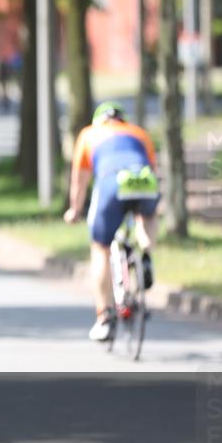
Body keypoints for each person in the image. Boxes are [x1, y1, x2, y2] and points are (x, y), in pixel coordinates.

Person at [64, 101, 159, 342]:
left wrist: (74, 210)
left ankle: (103, 317)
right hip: (143, 180)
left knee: (100, 248)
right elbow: (153, 170)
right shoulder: (139, 133)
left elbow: (80, 181)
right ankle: (146, 253)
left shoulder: (88, 135)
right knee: (146, 215)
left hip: (111, 183)